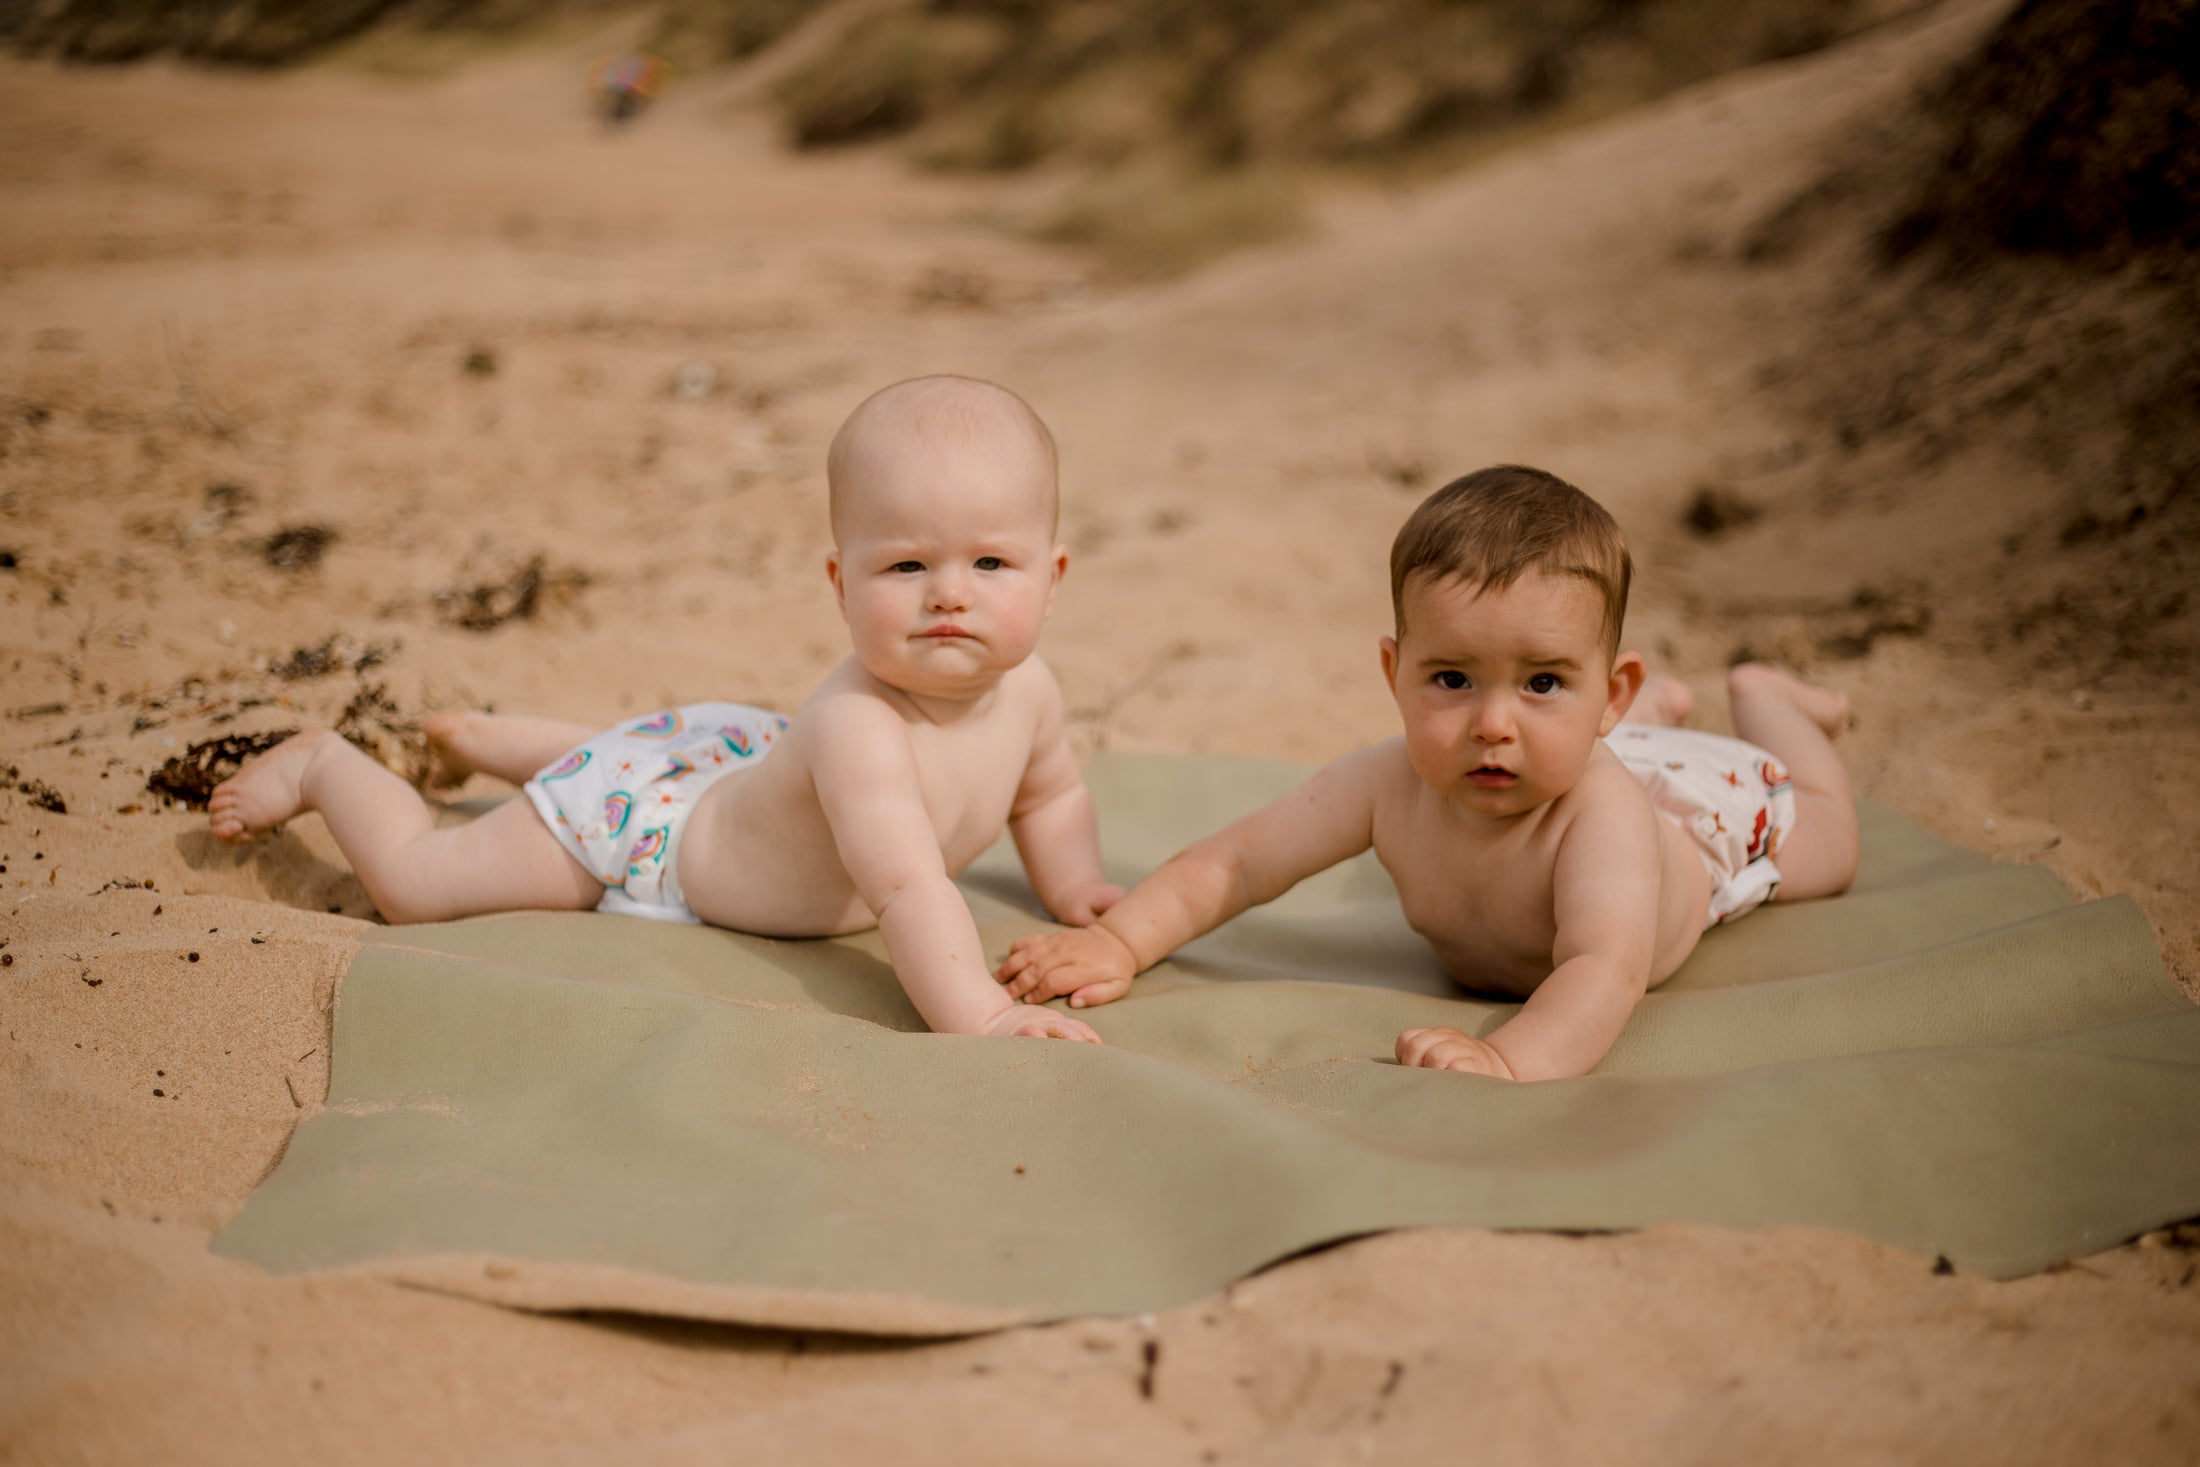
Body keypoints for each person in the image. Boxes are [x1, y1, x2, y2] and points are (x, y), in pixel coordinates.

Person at [211, 376, 1122, 1044]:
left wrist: (1075, 887)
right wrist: (983, 1014)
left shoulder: (1032, 692)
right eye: (907, 566)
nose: (949, 595)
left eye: (991, 564)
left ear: (1053, 580)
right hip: (650, 834)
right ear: (842, 585)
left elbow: (1048, 797)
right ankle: (326, 765)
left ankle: (494, 741)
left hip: (731, 759)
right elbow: (907, 888)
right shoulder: (860, 726)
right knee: (414, 884)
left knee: (629, 756)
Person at [995, 464, 1859, 1080]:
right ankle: (1645, 712)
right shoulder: (1388, 781)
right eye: (1451, 679)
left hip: (1702, 815)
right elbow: (1239, 861)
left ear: (1609, 691)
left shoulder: (1603, 823)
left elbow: (1604, 967)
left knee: (1830, 844)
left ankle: (1771, 699)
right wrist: (1119, 940)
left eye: (1543, 680)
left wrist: (1507, 1058)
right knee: (1561, 739)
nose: (1491, 723)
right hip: (1601, 741)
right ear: (1393, 674)